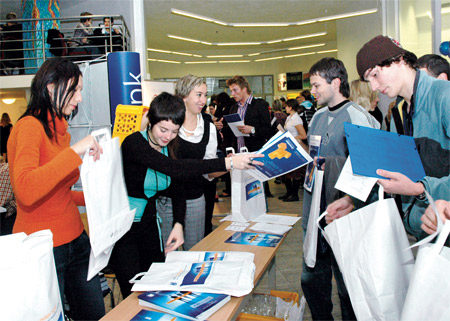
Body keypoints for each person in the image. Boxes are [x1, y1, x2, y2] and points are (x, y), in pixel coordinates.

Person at [109, 92, 262, 298]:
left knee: (153, 287)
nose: (167, 136)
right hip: (122, 230)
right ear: (151, 122)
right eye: (163, 129)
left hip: (148, 224)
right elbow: (174, 168)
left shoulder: (170, 146)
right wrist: (228, 162)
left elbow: (177, 186)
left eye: (174, 131)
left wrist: (178, 224)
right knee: (131, 292)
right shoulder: (134, 144)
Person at [7, 57, 105, 320]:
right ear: (51, 87)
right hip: (44, 248)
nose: (80, 98)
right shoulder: (28, 127)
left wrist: (98, 197)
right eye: (75, 90)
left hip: (76, 238)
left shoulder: (62, 131)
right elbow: (26, 191)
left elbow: (58, 192)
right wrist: (75, 151)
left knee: (94, 312)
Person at [326, 35, 450, 240]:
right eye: (368, 80)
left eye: (375, 75)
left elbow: (417, 184)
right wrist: (353, 200)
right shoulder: (399, 112)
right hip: (425, 233)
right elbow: (390, 171)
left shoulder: (444, 97)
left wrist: (421, 188)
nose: (374, 86)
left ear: (400, 60)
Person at [301, 57, 379, 321]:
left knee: (348, 286)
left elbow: (369, 171)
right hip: (315, 212)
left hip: (344, 214)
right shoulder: (317, 117)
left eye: (316, 85)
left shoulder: (357, 117)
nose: (313, 92)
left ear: (335, 82)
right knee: (311, 280)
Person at [157, 75, 228, 249]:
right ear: (184, 96)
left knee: (194, 251)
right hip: (167, 200)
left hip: (195, 198)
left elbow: (208, 170)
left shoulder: (208, 127)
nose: (203, 100)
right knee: (167, 255)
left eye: (205, 95)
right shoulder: (167, 124)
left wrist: (228, 165)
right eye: (198, 95)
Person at [225, 75, 273, 198]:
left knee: (257, 189)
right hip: (238, 151)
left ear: (244, 89)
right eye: (231, 91)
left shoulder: (260, 105)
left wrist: (252, 130)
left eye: (235, 90)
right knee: (241, 188)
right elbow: (231, 131)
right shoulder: (233, 107)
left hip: (254, 151)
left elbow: (267, 130)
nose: (232, 94)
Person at [278, 99, 306, 202]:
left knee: (295, 172)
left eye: (286, 106)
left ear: (290, 107)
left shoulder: (296, 119)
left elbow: (303, 135)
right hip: (288, 146)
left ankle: (294, 194)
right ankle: (289, 192)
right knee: (287, 171)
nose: (285, 108)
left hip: (295, 146)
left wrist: (291, 137)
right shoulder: (289, 118)